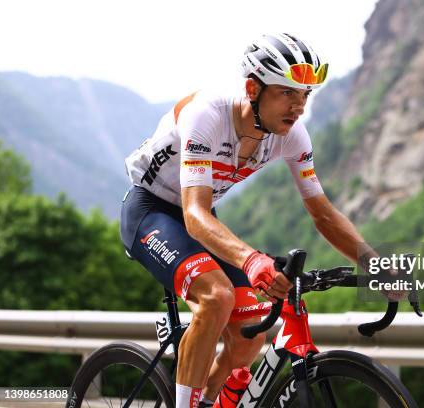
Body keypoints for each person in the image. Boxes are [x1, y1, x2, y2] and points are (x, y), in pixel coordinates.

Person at [120, 33, 403, 408]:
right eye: (287, 93)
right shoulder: (207, 114)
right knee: (216, 297)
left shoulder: (291, 136)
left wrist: (374, 262)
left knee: (252, 331)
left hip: (202, 218)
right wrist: (252, 260)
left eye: (305, 95)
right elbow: (194, 214)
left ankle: (207, 401)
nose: (298, 106)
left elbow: (323, 213)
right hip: (152, 211)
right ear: (253, 88)